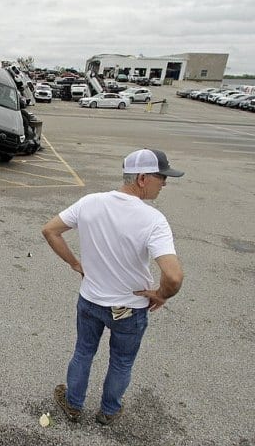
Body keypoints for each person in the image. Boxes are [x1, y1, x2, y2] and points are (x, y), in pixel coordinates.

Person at [41, 148, 184, 425]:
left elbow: (50, 230)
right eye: (161, 177)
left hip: (91, 301)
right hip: (129, 309)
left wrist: (75, 264)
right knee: (121, 362)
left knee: (83, 352)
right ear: (142, 178)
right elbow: (174, 276)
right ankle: (108, 411)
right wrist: (161, 294)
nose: (165, 183)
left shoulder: (90, 202)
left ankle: (73, 405)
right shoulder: (153, 220)